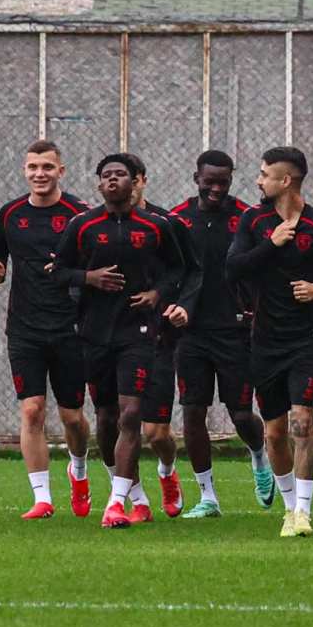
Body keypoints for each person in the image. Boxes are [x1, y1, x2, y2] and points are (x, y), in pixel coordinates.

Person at [52, 155, 190, 529]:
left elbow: (179, 269)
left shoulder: (156, 226)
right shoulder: (82, 225)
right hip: (94, 333)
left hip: (139, 333)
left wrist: (157, 294)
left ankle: (115, 504)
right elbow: (58, 272)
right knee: (106, 418)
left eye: (121, 175)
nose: (113, 180)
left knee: (132, 415)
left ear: (135, 183)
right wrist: (89, 278)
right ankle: (137, 498)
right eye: (107, 175)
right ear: (99, 185)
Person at [226, 145, 313, 537]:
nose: (258, 180)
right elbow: (233, 268)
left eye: (264, 174)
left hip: (307, 341)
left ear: (285, 181)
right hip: (264, 341)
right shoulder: (253, 221)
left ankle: (302, 512)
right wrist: (272, 244)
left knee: (303, 425)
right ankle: (288, 506)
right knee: (275, 433)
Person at [0, 140, 91, 519]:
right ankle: (42, 499)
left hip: (70, 328)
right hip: (24, 328)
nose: (39, 173)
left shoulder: (80, 214)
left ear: (61, 171)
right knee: (32, 412)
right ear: (25, 171)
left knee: (72, 418)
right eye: (33, 167)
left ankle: (79, 471)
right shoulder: (10, 213)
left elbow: (95, 262)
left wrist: (71, 274)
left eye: (47, 167)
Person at [169, 150, 272, 519]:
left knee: (241, 415)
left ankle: (259, 455)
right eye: (209, 181)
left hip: (235, 331)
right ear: (196, 177)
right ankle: (208, 497)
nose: (216, 188)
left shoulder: (246, 217)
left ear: (231, 180)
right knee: (193, 412)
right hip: (190, 332)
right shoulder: (177, 220)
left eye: (223, 181)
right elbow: (168, 270)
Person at [123, 153, 195, 518]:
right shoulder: (93, 226)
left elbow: (188, 271)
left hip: (158, 339)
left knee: (157, 433)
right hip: (113, 340)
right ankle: (137, 500)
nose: (125, 187)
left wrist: (173, 301)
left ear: (142, 181)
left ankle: (167, 471)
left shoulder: (166, 225)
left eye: (132, 180)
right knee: (123, 423)